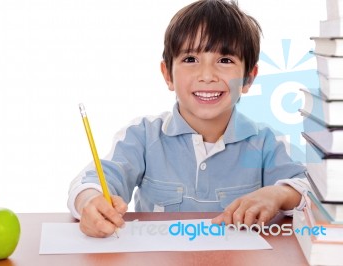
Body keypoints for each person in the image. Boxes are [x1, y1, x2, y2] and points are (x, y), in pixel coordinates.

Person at [67, 0, 310, 238]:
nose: (206, 75)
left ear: (248, 78)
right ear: (167, 74)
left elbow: (309, 189)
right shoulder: (142, 136)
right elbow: (91, 181)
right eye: (190, 59)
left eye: (225, 60)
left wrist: (278, 195)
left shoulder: (266, 142)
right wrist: (90, 201)